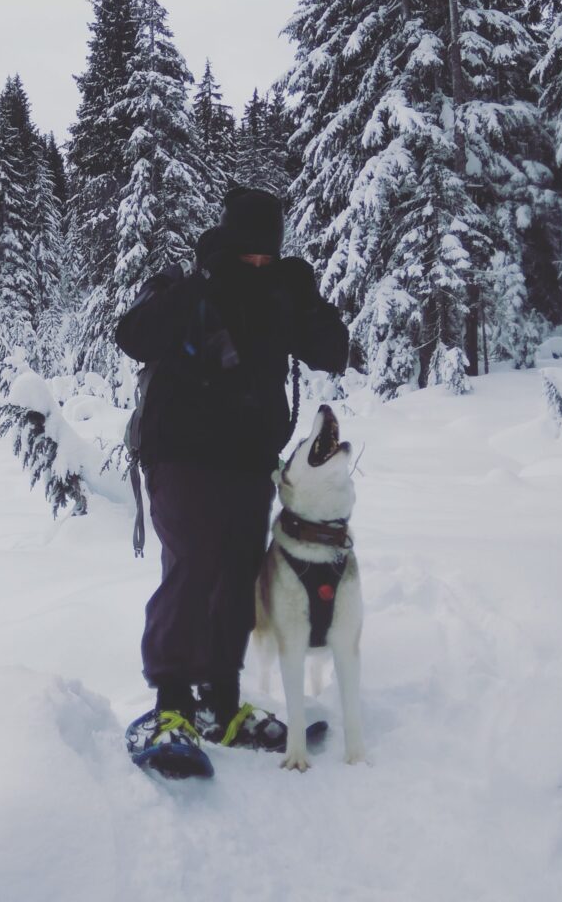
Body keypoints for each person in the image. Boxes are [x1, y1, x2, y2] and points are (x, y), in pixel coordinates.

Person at [116, 185, 349, 766]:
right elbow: (133, 336)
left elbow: (333, 351)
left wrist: (309, 298)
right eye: (247, 255)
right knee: (193, 564)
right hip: (179, 455)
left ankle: (220, 702)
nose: (257, 265)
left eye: (266, 256)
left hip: (247, 461)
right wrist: (198, 285)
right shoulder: (186, 285)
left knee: (241, 575)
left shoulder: (278, 292)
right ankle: (171, 703)